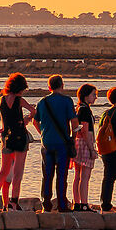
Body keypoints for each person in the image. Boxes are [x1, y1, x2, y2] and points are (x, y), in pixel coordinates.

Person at [34, 75, 76, 211]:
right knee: (62, 175)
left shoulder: (42, 102)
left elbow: (35, 121)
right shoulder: (67, 101)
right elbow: (74, 122)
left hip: (46, 143)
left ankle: (46, 204)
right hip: (62, 143)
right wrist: (73, 138)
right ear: (62, 85)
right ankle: (62, 205)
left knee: (47, 175)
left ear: (49, 87)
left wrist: (42, 134)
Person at [0, 72, 33, 207]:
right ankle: (14, 202)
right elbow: (34, 111)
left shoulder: (1, 100)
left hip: (6, 137)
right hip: (20, 136)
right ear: (20, 88)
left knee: (4, 171)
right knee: (17, 172)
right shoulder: (20, 100)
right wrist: (27, 119)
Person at [70, 82, 99, 209]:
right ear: (86, 96)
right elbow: (85, 130)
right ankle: (84, 204)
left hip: (78, 142)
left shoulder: (79, 108)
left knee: (78, 175)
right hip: (85, 143)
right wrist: (91, 149)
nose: (95, 97)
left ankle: (77, 203)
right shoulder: (85, 110)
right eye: (94, 94)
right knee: (85, 176)